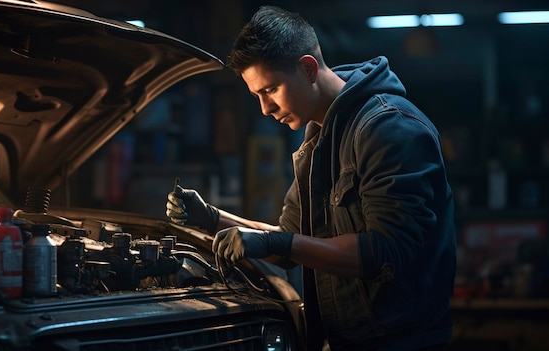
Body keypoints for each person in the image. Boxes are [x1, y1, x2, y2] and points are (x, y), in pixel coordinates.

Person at [166, 5, 457, 351]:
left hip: (403, 344)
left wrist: (279, 244)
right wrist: (212, 219)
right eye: (257, 95)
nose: (265, 108)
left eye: (270, 89)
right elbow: (291, 242)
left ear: (308, 68)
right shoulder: (318, 138)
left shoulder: (389, 130)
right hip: (342, 341)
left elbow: (386, 250)